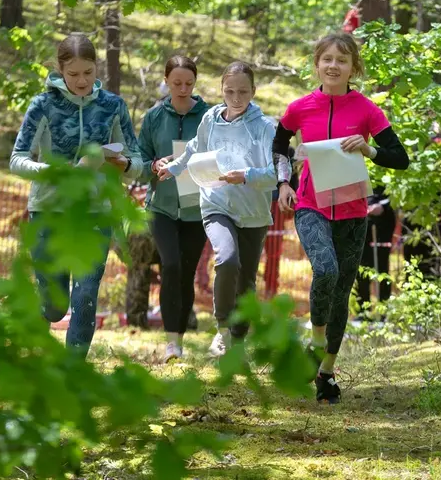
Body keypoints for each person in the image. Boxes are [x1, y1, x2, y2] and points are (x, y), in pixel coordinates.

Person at [273, 33, 410, 404]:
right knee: (326, 270)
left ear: (354, 68)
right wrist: (283, 182)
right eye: (327, 59)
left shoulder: (367, 110)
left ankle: (326, 373)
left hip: (353, 213)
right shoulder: (300, 107)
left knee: (340, 294)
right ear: (317, 63)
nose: (334, 66)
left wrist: (368, 148)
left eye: (342, 60)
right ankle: (315, 343)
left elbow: (400, 157)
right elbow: (279, 144)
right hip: (310, 205)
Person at [10, 33, 143, 357]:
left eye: (88, 72)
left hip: (95, 212)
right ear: (60, 70)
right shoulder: (42, 106)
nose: (82, 81)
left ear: (97, 69)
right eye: (73, 74)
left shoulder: (113, 106)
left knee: (85, 296)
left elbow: (136, 162)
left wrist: (114, 160)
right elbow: (17, 159)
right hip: (48, 208)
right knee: (55, 306)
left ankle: (73, 374)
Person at [159, 62, 277, 358]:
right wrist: (175, 167)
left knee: (247, 278)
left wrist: (246, 175)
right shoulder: (211, 117)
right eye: (229, 91)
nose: (236, 98)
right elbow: (194, 147)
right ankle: (222, 329)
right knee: (227, 259)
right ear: (221, 90)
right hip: (216, 203)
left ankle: (238, 337)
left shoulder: (265, 127)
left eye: (243, 92)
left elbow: (275, 173)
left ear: (253, 91)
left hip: (253, 212)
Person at [138, 55, 210, 362]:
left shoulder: (209, 116)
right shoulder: (154, 117)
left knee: (187, 272)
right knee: (171, 265)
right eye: (176, 83)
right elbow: (139, 162)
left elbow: (220, 156)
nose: (182, 89)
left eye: (189, 83)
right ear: (166, 81)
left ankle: (179, 337)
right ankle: (171, 344)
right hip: (162, 207)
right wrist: (154, 166)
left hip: (197, 207)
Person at [356, 185, 396, 312]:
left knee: (382, 269)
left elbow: (395, 196)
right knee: (361, 271)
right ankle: (363, 311)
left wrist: (382, 207)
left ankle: (384, 309)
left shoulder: (386, 175)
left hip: (382, 229)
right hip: (362, 229)